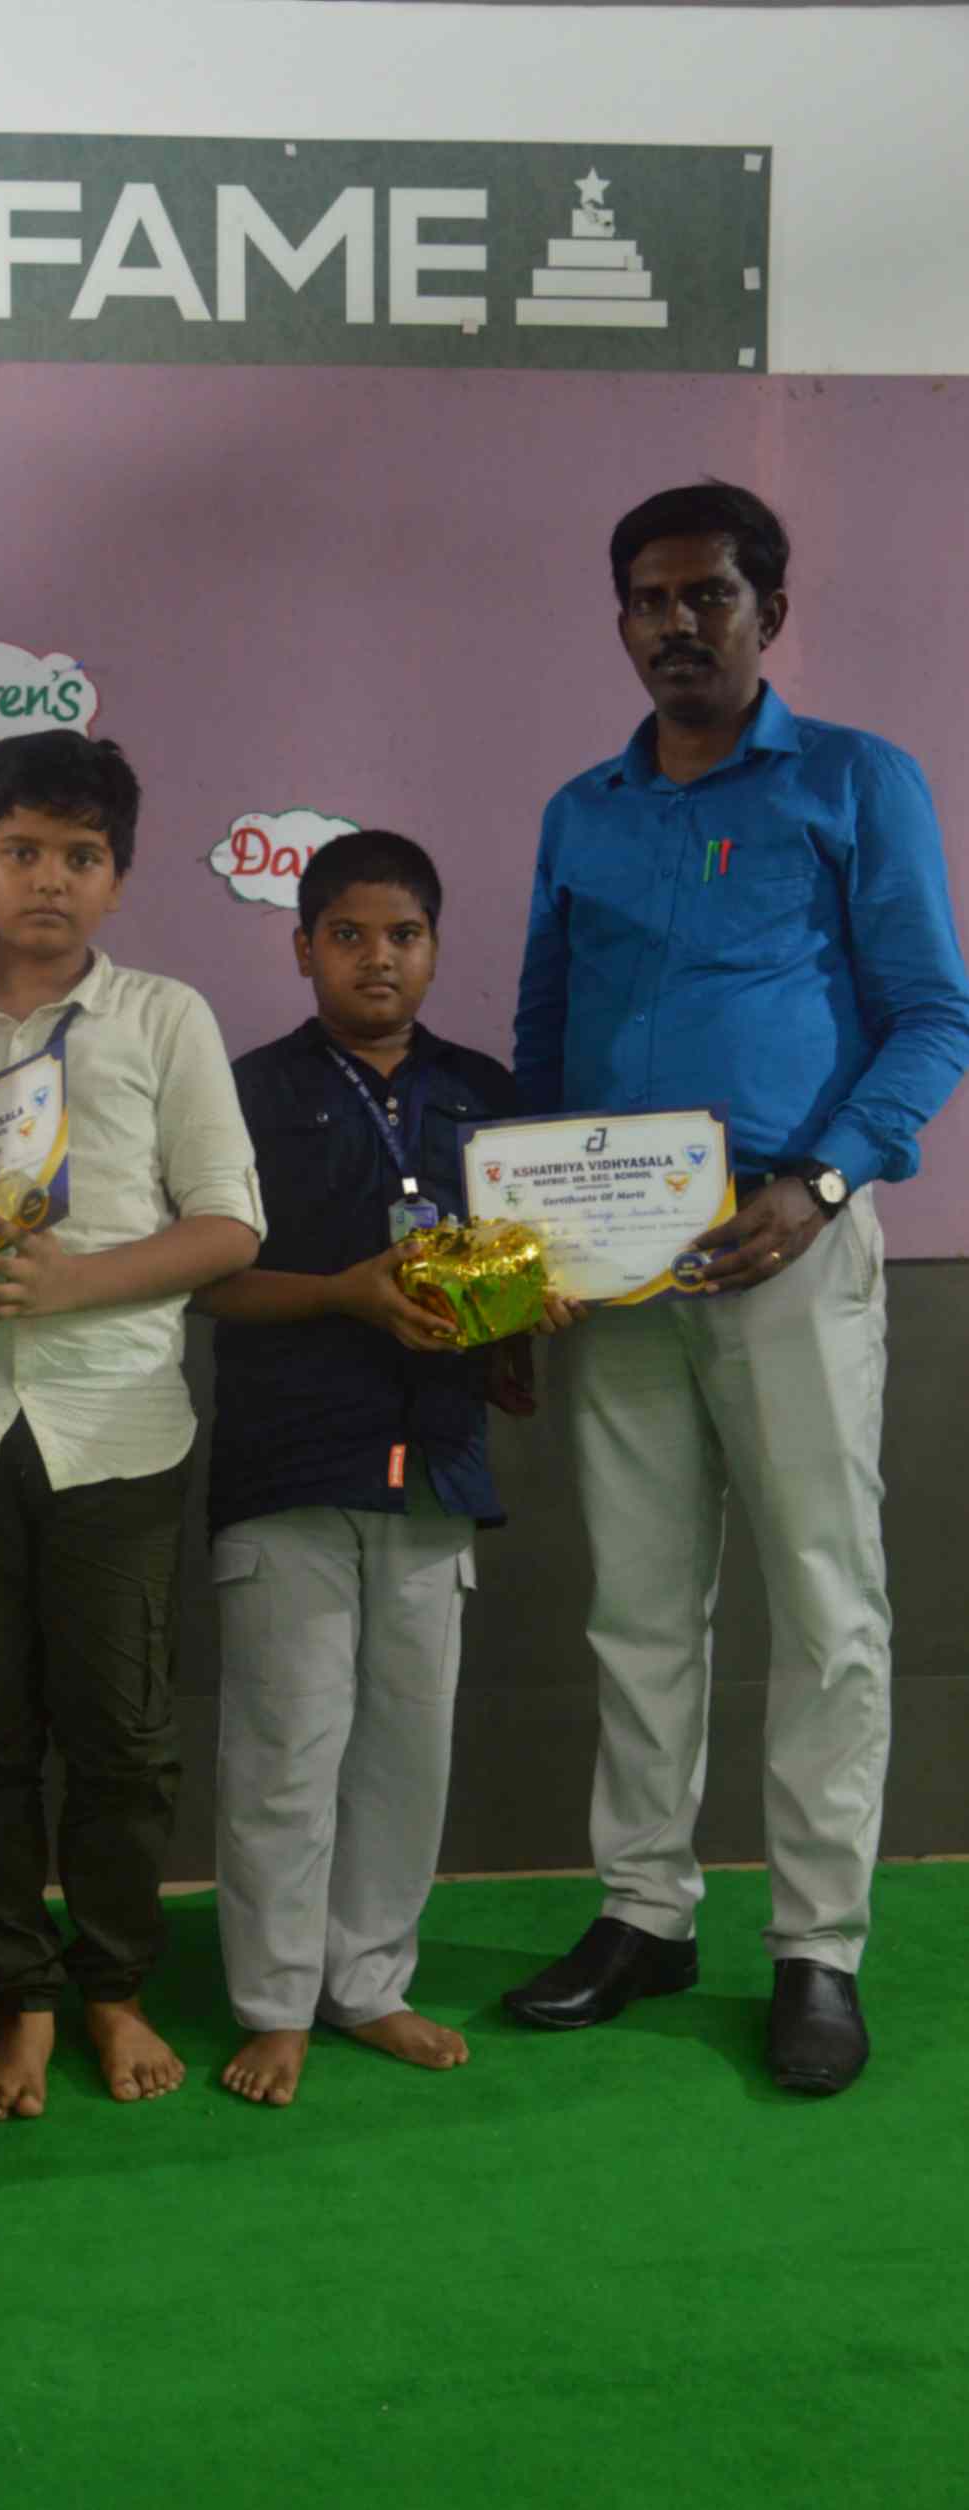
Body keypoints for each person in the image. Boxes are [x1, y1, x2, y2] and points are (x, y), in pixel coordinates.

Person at [508, 482, 969, 2092]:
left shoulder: (852, 780)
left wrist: (822, 1181)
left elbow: (933, 1015)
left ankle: (816, 1947)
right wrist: (529, 1236)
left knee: (826, 1606)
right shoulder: (582, 811)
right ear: (620, 621)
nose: (675, 624)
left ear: (769, 611)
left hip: (788, 1233)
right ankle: (644, 1913)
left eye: (707, 594)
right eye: (648, 598)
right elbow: (543, 1029)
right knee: (638, 1606)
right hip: (615, 1261)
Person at [0, 728, 262, 2121]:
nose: (49, 878)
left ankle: (112, 1984)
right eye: (20, 850)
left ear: (119, 874)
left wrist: (75, 1282)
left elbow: (230, 1224)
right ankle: (19, 1992)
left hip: (119, 1426)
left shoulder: (165, 1017)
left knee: (121, 1733)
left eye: (80, 855)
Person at [197, 829, 571, 2106]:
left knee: (406, 1748)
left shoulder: (486, 1094)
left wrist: (543, 1293)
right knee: (285, 1746)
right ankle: (274, 2000)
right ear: (302, 946)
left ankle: (366, 1982)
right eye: (348, 934)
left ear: (435, 949)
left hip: (437, 1462)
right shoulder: (244, 1092)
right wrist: (344, 1293)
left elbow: (535, 1254)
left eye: (402, 935)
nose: (377, 958)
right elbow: (208, 1282)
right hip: (289, 1463)